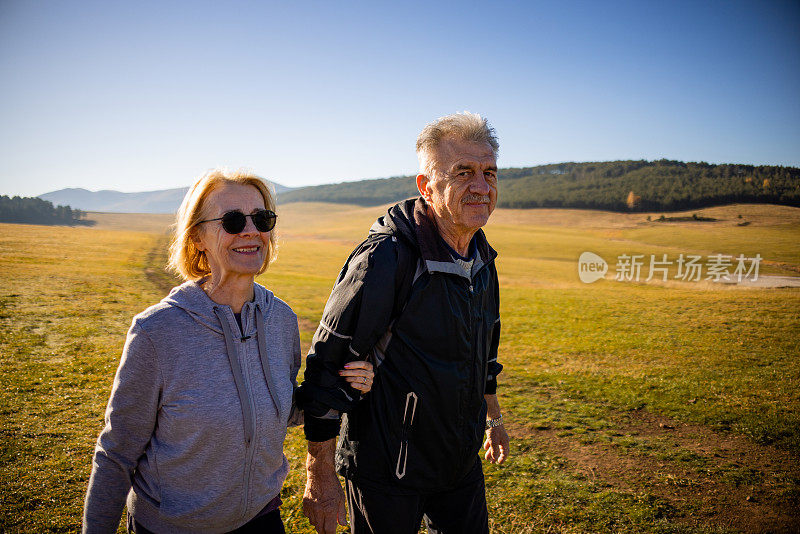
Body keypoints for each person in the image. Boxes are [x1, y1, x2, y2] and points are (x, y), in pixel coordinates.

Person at [82, 169, 374, 534]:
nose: (251, 230)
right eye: (233, 221)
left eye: (262, 219)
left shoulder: (281, 319)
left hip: (262, 519)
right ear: (197, 238)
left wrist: (343, 384)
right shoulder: (157, 332)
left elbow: (277, 410)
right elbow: (117, 453)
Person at [298, 112, 510, 534]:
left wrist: (493, 419)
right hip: (387, 472)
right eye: (463, 172)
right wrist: (318, 473)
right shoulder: (385, 259)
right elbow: (327, 364)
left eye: (489, 173)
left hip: (459, 465)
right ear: (426, 186)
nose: (481, 187)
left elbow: (483, 354)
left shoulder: (482, 258)